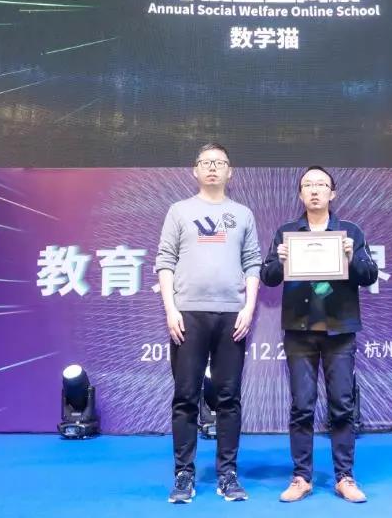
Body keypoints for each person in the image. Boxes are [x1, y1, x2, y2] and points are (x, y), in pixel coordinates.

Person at [260, 166, 378, 503]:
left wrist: (351, 257)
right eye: (308, 185)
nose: (314, 190)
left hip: (339, 330)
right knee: (302, 405)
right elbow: (268, 277)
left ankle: (345, 477)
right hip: (299, 331)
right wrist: (279, 261)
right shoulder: (286, 232)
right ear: (300, 194)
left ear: (332, 193)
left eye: (321, 185)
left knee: (341, 404)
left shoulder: (350, 232)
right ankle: (301, 477)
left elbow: (369, 275)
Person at [155, 143, 261, 503]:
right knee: (186, 396)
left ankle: (228, 474)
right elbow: (165, 261)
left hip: (232, 315)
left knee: (228, 398)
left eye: (220, 163)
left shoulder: (242, 214)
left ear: (230, 172)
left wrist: (249, 307)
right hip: (188, 314)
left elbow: (252, 263)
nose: (213, 167)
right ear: (195, 170)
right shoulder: (179, 211)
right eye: (206, 162)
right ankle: (183, 474)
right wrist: (171, 309)